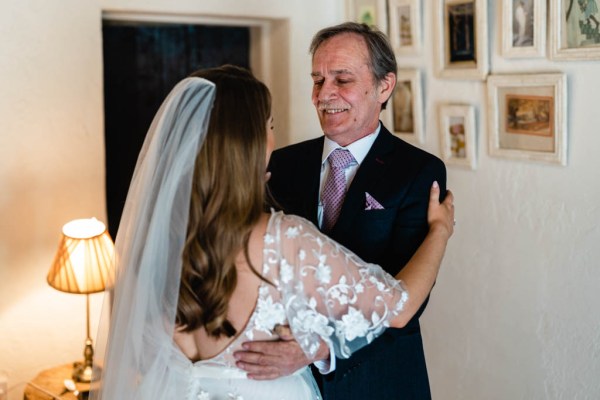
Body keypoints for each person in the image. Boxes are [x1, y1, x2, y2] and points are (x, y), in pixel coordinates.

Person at [89, 65, 454, 400]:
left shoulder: (150, 247)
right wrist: (439, 230)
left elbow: (138, 358)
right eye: (270, 126)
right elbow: (401, 307)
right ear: (248, 144)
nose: (273, 141)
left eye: (342, 80)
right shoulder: (283, 238)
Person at [234, 23, 447, 399]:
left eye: (342, 79)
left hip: (378, 382)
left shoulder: (418, 171)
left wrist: (320, 348)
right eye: (317, 80)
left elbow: (406, 301)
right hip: (282, 383)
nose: (323, 94)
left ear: (384, 86)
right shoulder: (280, 164)